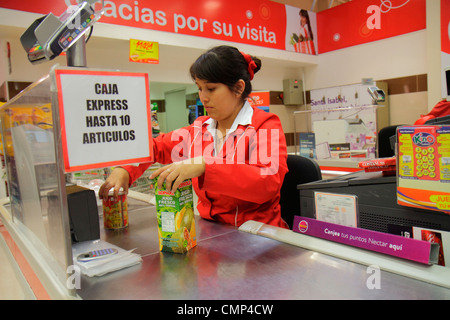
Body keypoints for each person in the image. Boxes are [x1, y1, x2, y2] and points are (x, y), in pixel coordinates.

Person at [99, 45, 288, 228]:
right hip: (214, 232)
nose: (203, 97)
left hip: (258, 235)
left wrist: (205, 165)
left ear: (238, 88)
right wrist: (124, 169)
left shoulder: (265, 126)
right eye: (199, 88)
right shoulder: (199, 129)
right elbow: (155, 147)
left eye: (211, 89)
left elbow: (267, 183)